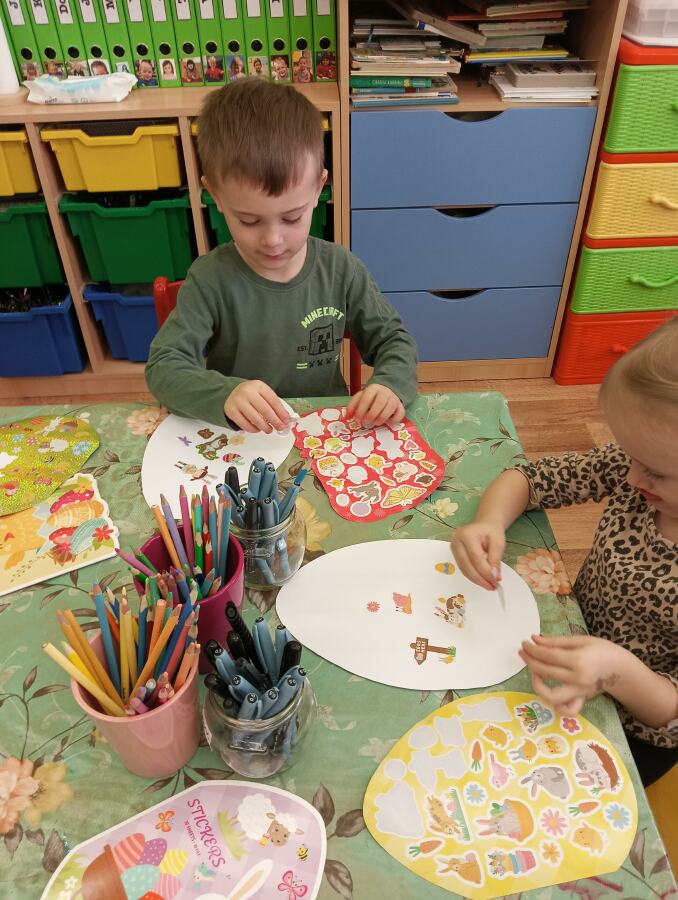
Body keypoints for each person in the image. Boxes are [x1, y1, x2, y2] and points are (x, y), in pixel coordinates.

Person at [451, 319, 678, 787]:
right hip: (570, 636)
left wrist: (614, 670)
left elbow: (669, 711)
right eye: (630, 455)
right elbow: (530, 478)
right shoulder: (643, 466)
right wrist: (489, 521)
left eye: (655, 471)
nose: (632, 478)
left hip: (633, 731)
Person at [146, 77, 418, 434]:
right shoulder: (209, 280)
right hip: (243, 439)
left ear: (318, 188)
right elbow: (163, 367)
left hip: (325, 433)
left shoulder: (341, 270)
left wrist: (390, 385)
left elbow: (394, 340)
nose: (273, 241)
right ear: (215, 196)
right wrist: (223, 394)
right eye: (248, 221)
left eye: (292, 218)